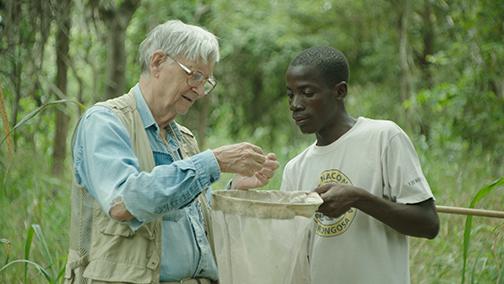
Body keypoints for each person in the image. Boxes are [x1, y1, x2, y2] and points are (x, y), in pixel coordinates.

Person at [64, 20, 278, 284]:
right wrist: (213, 162)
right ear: (156, 62)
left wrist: (235, 188)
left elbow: (191, 219)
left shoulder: (184, 139)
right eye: (194, 75)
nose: (200, 91)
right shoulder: (106, 122)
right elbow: (122, 202)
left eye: (206, 81)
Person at [280, 46, 439, 284]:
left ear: (339, 91)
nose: (296, 104)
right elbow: (293, 254)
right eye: (291, 94)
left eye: (307, 92)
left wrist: (359, 199)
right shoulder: (295, 169)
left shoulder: (384, 138)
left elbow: (428, 224)